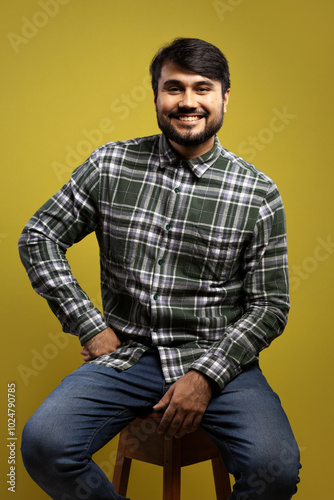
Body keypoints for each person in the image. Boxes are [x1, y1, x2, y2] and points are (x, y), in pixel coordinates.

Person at [19, 37, 300, 499]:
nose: (188, 102)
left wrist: (207, 376)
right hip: (127, 354)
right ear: (155, 97)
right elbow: (38, 236)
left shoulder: (258, 194)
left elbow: (271, 306)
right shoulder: (110, 164)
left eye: (202, 88)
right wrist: (89, 327)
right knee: (43, 445)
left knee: (277, 470)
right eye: (174, 88)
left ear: (224, 98)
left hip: (222, 360)